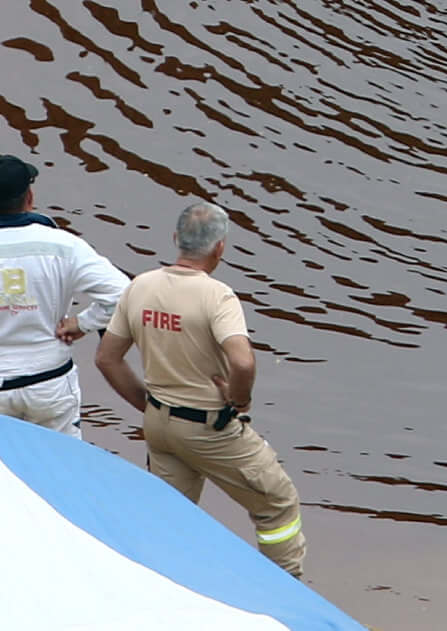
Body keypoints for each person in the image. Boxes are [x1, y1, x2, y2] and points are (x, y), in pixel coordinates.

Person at [97, 201, 314, 581]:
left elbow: (107, 359)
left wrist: (148, 406)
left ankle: (165, 591)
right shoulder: (218, 297)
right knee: (277, 504)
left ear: (177, 239)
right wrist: (239, 397)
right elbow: (243, 362)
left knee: (170, 521)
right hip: (209, 429)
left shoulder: (140, 286)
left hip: (161, 428)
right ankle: (286, 597)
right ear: (220, 248)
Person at [0, 153, 128, 439]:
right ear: (30, 196)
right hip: (51, 384)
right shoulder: (63, 245)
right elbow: (123, 295)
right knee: (61, 472)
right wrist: (83, 323)